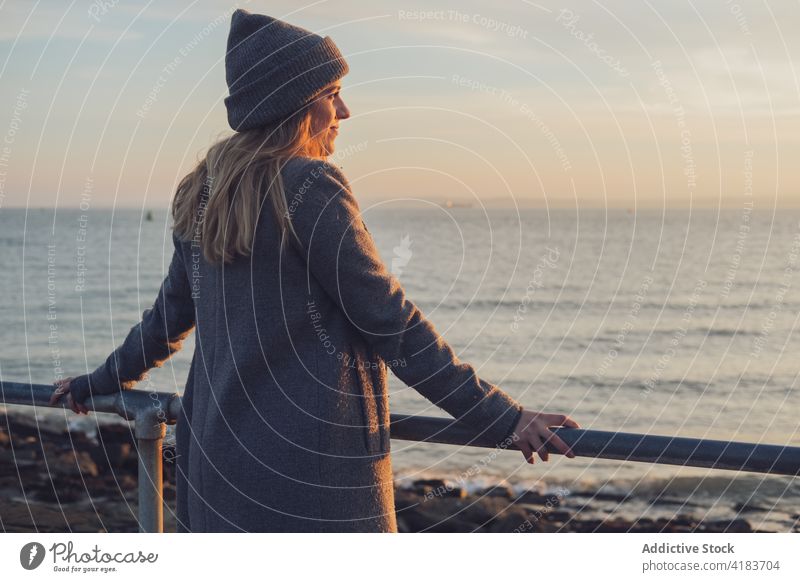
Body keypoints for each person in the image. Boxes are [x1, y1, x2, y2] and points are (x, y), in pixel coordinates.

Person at [50, 8, 580, 532]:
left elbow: (166, 321)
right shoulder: (311, 186)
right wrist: (503, 417)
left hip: (218, 462)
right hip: (312, 478)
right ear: (296, 106)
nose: (344, 111)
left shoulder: (205, 190)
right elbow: (390, 322)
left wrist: (96, 382)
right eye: (331, 95)